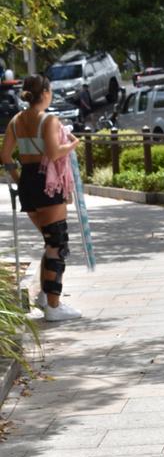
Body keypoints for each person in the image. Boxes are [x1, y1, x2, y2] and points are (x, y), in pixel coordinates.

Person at [1, 73, 82, 321]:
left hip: (28, 181)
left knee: (50, 242)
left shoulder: (16, 120)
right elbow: (53, 152)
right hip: (47, 183)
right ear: (45, 93)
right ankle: (54, 306)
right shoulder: (47, 119)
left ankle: (46, 297)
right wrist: (73, 144)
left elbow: (5, 156)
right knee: (58, 244)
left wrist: (19, 180)